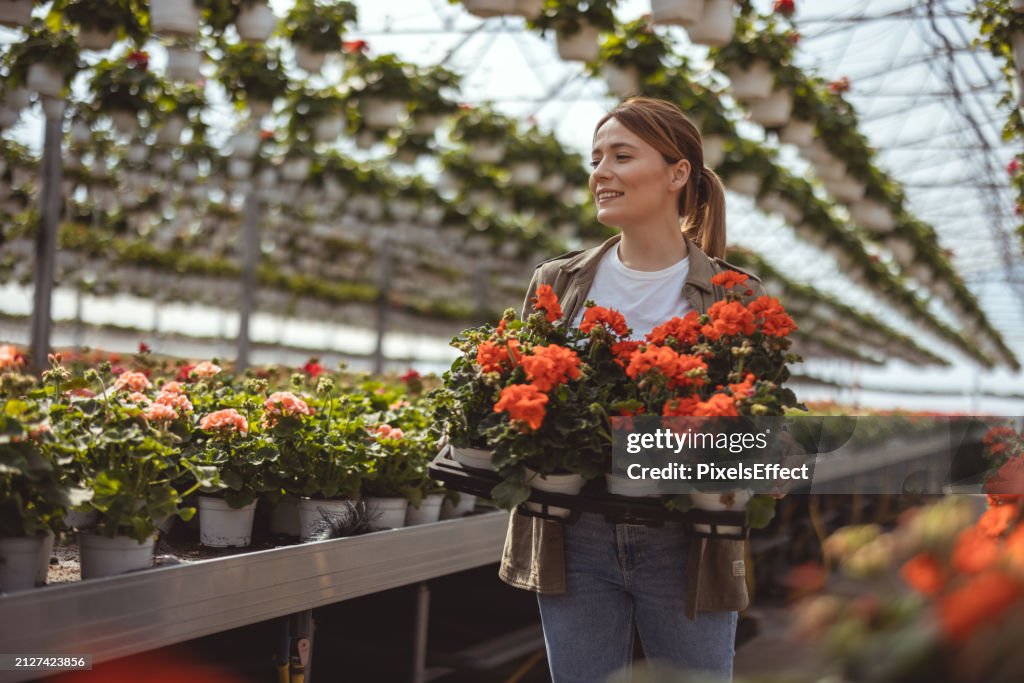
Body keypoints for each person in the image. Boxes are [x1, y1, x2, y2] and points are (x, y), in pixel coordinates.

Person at [499, 97, 766, 683]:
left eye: (622, 155)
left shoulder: (733, 295)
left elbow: (758, 434)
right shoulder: (559, 282)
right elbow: (516, 398)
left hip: (686, 545)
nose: (602, 173)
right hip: (574, 539)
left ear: (678, 174)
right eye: (596, 159)